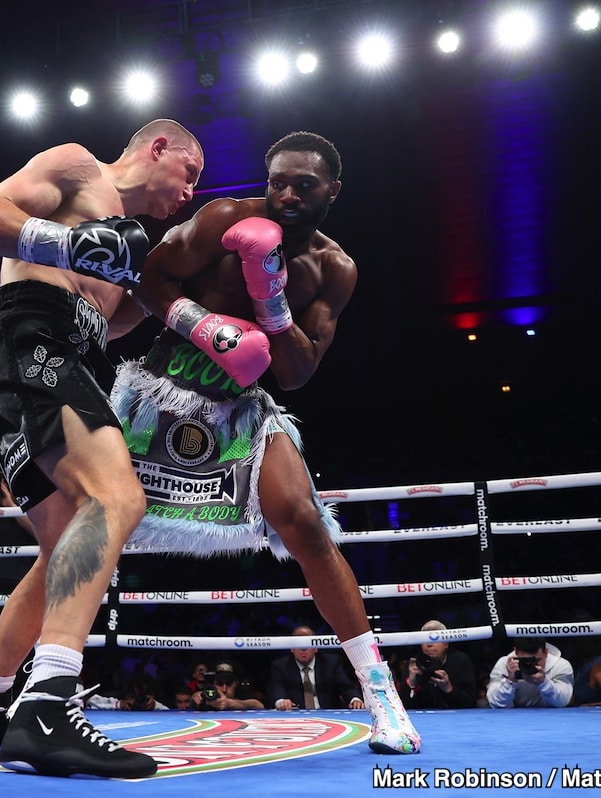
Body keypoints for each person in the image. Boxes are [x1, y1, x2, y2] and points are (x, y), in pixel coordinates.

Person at [109, 131, 420, 755]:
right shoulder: (225, 217)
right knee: (85, 528)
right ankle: (23, 686)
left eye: (303, 184)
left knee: (305, 522)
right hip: (158, 389)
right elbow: (148, 280)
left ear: (333, 189)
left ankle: (381, 693)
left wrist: (267, 295)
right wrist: (204, 323)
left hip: (240, 408)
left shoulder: (335, 269)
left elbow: (298, 371)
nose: (285, 194)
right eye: (277, 180)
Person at [0, 119, 203, 779]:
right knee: (118, 498)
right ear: (159, 147)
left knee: (64, 550)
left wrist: (179, 309)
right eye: (191, 173)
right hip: (33, 337)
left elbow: (107, 320)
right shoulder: (79, 166)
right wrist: (69, 242)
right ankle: (49, 708)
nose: (190, 192)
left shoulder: (129, 244)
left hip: (59, 357)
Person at [269, 625, 363, 710]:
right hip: (296, 715)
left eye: (307, 643)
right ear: (291, 648)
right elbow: (277, 688)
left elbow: (346, 686)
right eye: (299, 643)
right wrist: (281, 701)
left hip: (329, 714)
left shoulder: (331, 662)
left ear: (316, 647)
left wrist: (354, 699)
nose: (303, 648)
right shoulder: (281, 666)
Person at [403, 620, 477, 709]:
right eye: (424, 640)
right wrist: (412, 683)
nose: (429, 644)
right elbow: (403, 708)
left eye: (435, 639)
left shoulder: (461, 661)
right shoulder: (413, 665)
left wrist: (449, 688)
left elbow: (470, 702)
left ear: (446, 644)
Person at [486, 637, 574, 708]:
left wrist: (544, 683)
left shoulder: (560, 665)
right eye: (525, 660)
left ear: (546, 652)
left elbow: (563, 702)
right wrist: (510, 681)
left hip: (550, 720)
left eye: (537, 660)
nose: (532, 664)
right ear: (516, 652)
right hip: (513, 720)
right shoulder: (504, 664)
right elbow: (496, 704)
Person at [191, 662, 263, 711]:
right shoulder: (207, 696)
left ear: (235, 683)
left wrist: (229, 703)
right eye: (220, 684)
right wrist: (196, 697)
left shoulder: (242, 692)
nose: (224, 689)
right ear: (214, 684)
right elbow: (191, 701)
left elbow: (258, 705)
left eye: (229, 684)